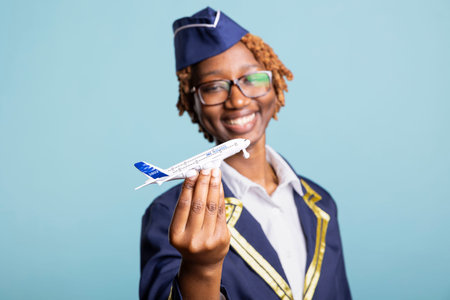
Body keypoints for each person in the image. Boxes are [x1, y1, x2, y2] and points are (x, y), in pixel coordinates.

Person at [139, 7, 351, 300]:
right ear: (193, 104)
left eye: (252, 79)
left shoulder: (320, 203)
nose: (237, 99)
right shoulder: (171, 214)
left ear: (276, 86)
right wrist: (201, 269)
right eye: (214, 87)